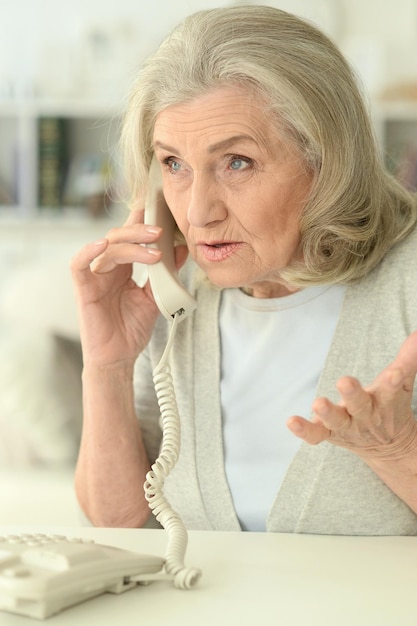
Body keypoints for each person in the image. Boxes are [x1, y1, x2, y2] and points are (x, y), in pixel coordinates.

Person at [71, 5, 417, 534]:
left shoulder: (406, 282)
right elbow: (118, 520)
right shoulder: (175, 294)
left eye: (237, 162)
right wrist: (107, 365)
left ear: (326, 162)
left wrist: (397, 451)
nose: (197, 212)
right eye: (174, 165)